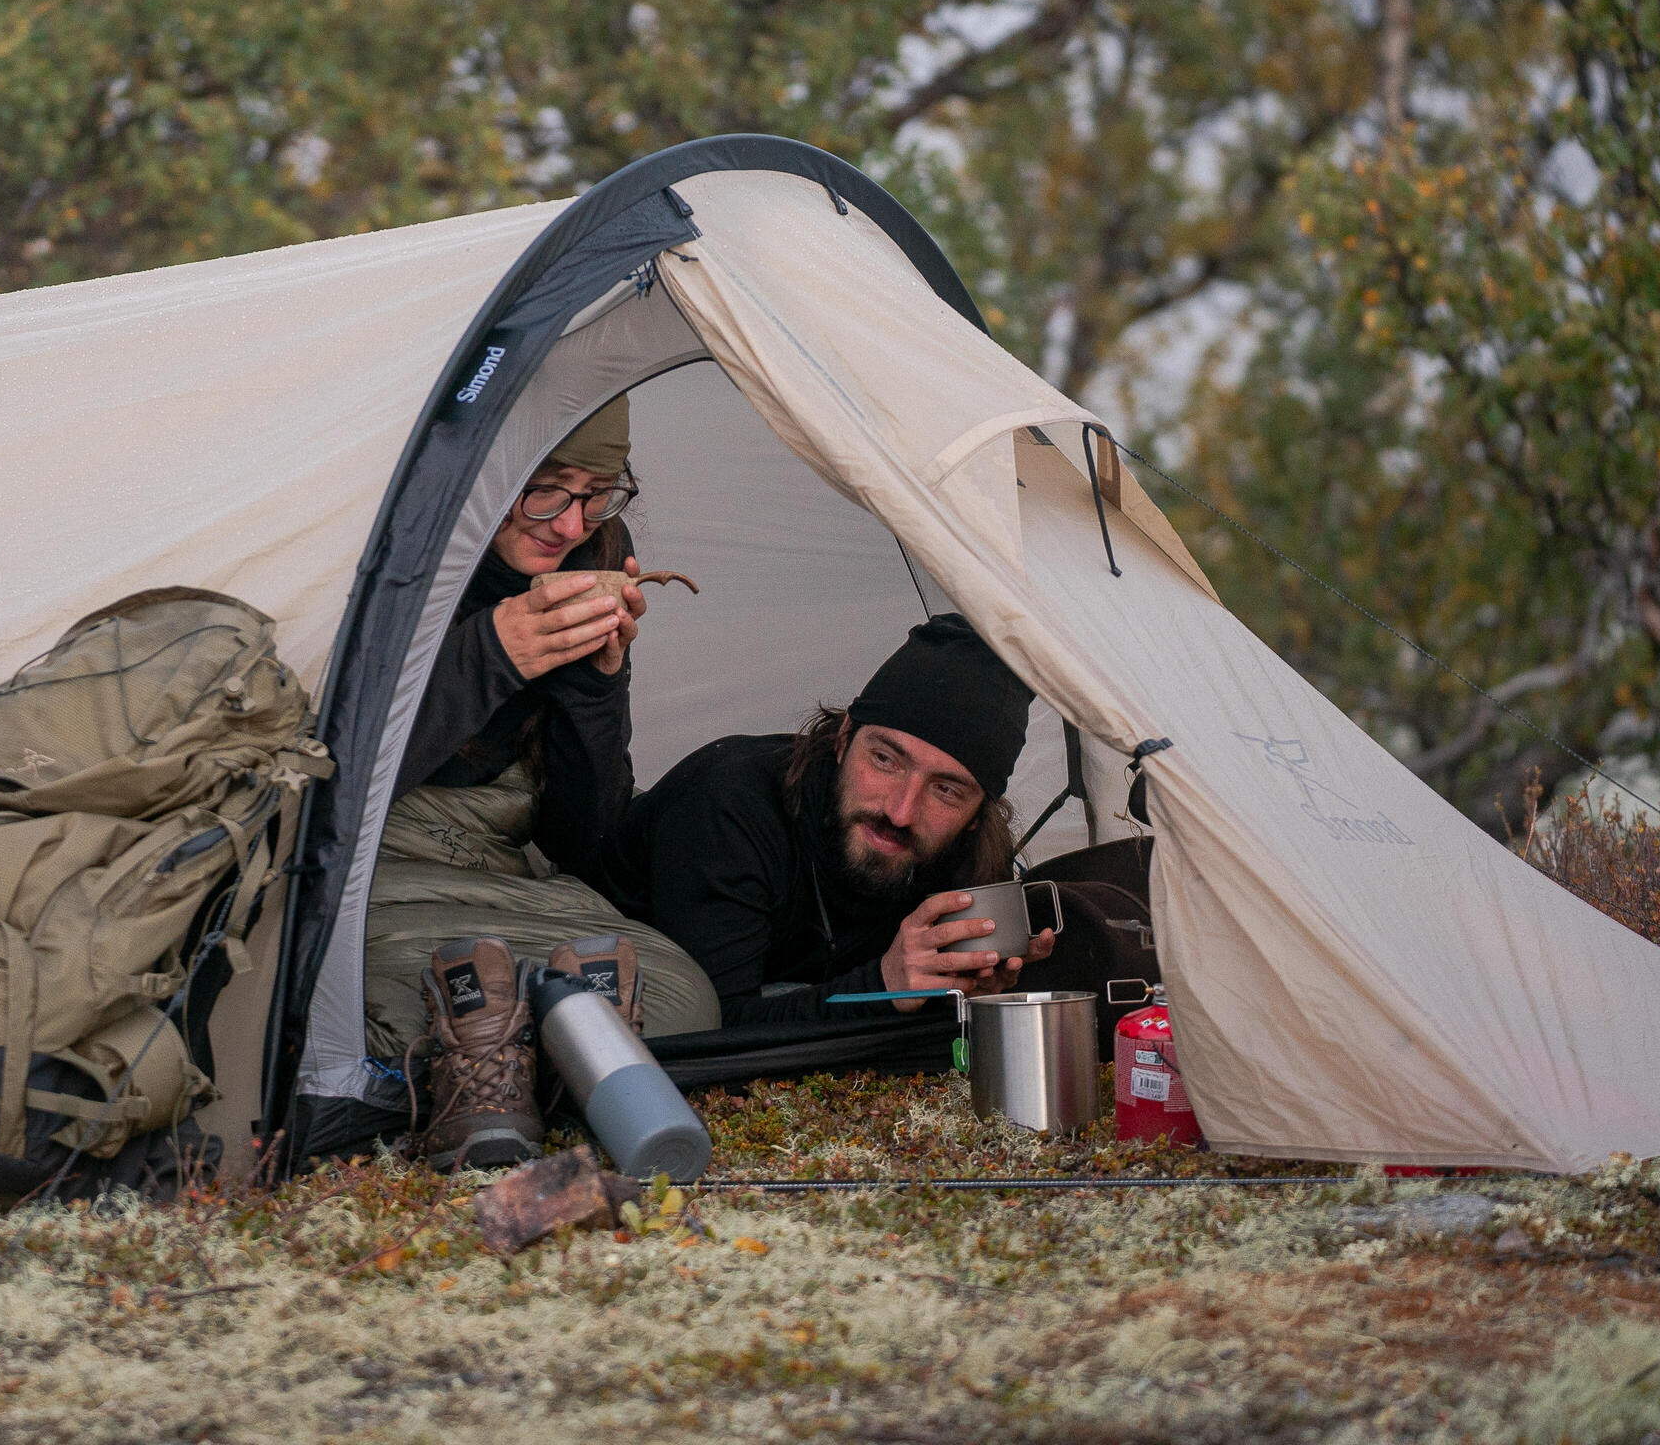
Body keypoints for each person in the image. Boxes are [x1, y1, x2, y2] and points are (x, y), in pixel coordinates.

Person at [359, 397, 722, 1170]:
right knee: (368, 1003)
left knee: (685, 997)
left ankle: (498, 1047)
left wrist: (596, 687)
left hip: (506, 877)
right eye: (549, 487)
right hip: (370, 871)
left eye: (597, 494)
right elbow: (329, 784)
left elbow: (582, 842)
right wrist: (490, 655)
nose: (568, 524)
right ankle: (552, 1047)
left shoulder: (587, 563)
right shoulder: (386, 563)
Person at [599, 612, 1113, 1025]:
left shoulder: (963, 854)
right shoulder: (727, 808)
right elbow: (718, 1025)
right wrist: (884, 984)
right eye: (886, 760)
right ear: (843, 739)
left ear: (979, 815)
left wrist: (962, 983)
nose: (900, 810)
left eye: (947, 789)